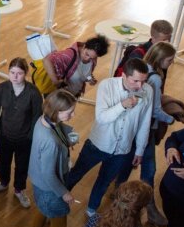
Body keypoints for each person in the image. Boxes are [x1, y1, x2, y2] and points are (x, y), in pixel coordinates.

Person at [65, 58, 153, 218]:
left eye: (143, 81)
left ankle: (91, 209)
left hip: (122, 149)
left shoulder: (148, 91)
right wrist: (122, 105)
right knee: (77, 173)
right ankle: (60, 199)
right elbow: (101, 118)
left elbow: (144, 124)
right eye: (136, 81)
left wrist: (139, 150)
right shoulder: (107, 85)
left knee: (104, 181)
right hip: (97, 144)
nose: (140, 86)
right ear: (124, 76)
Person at [114, 42, 182, 227]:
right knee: (149, 169)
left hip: (131, 126)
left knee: (127, 163)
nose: (172, 62)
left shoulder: (144, 69)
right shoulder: (156, 78)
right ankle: (149, 207)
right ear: (161, 58)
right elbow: (154, 110)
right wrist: (170, 119)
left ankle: (117, 196)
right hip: (146, 129)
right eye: (170, 59)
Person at [28, 89, 78, 227]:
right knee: (60, 222)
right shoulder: (50, 141)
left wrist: (66, 139)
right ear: (56, 111)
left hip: (38, 183)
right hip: (50, 187)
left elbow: (59, 129)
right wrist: (64, 193)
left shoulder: (43, 120)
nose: (72, 115)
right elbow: (50, 175)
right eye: (69, 112)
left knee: (42, 210)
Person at [0, 58, 43, 208]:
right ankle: (3, 183)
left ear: (25, 74)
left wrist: (30, 137)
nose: (15, 76)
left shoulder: (33, 93)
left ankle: (19, 190)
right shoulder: (1, 88)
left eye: (19, 73)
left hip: (24, 139)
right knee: (3, 161)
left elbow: (37, 116)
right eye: (12, 72)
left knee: (22, 166)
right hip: (4, 136)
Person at [42, 35, 109, 97]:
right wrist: (55, 81)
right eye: (87, 54)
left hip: (73, 95)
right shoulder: (69, 55)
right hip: (59, 97)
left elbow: (84, 73)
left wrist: (90, 79)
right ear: (84, 46)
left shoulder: (93, 59)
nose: (88, 59)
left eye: (92, 57)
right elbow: (46, 60)